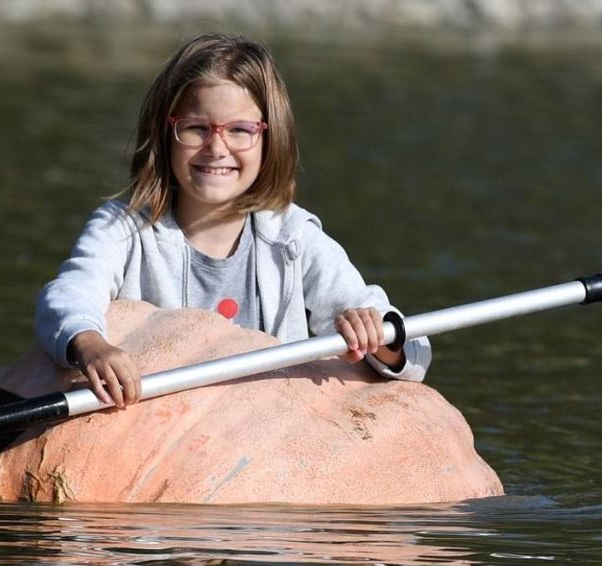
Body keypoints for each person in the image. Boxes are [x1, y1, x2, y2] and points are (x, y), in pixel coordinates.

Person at [35, 33, 431, 408]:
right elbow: (69, 295)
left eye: (240, 130)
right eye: (196, 128)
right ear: (165, 132)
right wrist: (89, 343)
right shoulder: (121, 229)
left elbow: (414, 352)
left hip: (266, 431)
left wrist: (379, 339)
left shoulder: (294, 238)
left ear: (269, 139)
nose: (216, 148)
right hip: (159, 426)